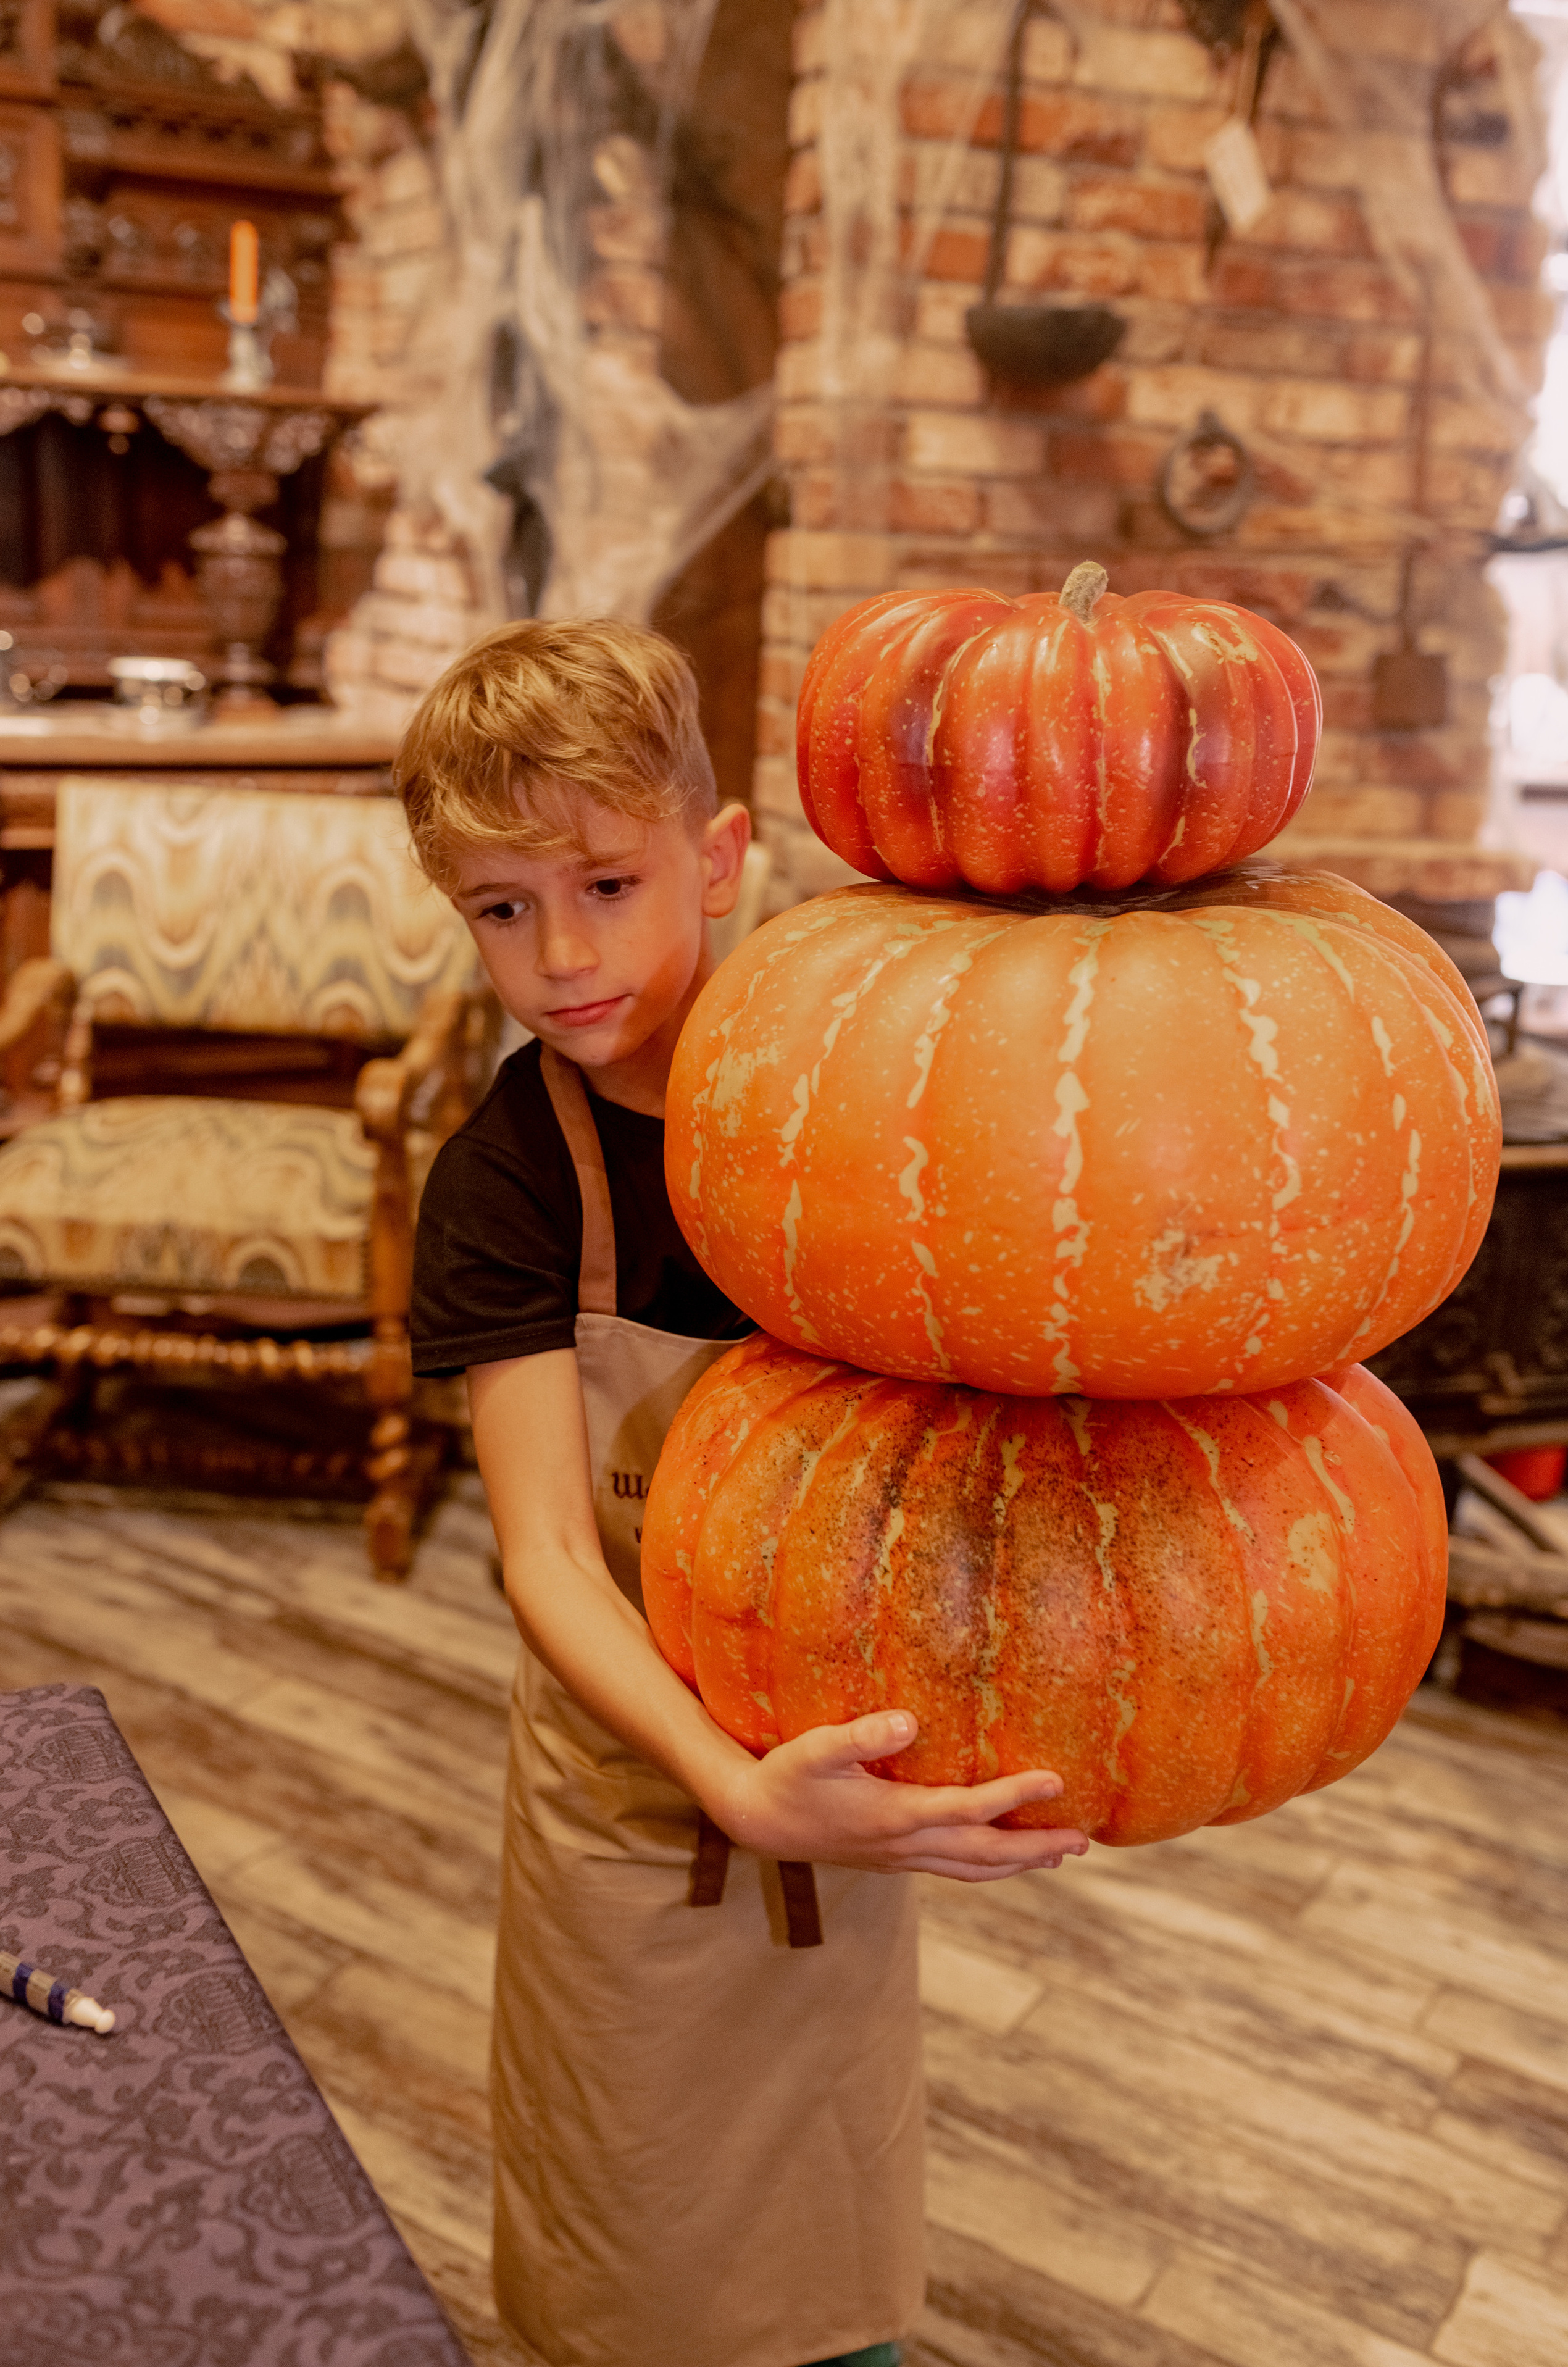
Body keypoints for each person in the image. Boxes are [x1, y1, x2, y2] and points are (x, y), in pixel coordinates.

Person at [399, 619, 1088, 2367]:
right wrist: (724, 1781)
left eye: (609, 884)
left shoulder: (852, 1104)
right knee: (627, 2246)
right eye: (500, 909)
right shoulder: (506, 1181)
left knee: (829, 2242)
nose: (560, 955)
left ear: (718, 859)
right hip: (633, 1805)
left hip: (834, 1786)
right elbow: (550, 1551)